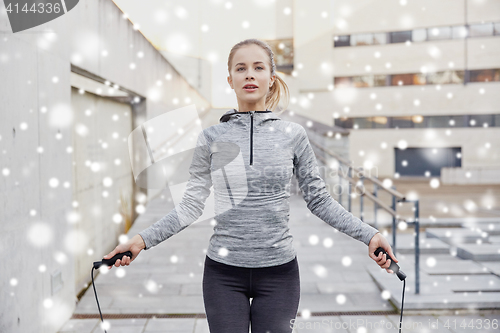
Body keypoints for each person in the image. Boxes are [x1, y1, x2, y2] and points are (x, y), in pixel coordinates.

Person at [103, 38, 398, 333]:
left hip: (280, 275)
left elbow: (319, 200)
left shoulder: (293, 134)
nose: (250, 75)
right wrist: (140, 241)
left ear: (271, 79)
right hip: (223, 274)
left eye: (258, 68)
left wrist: (369, 235)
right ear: (230, 80)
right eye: (241, 68)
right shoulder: (210, 137)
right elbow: (191, 205)